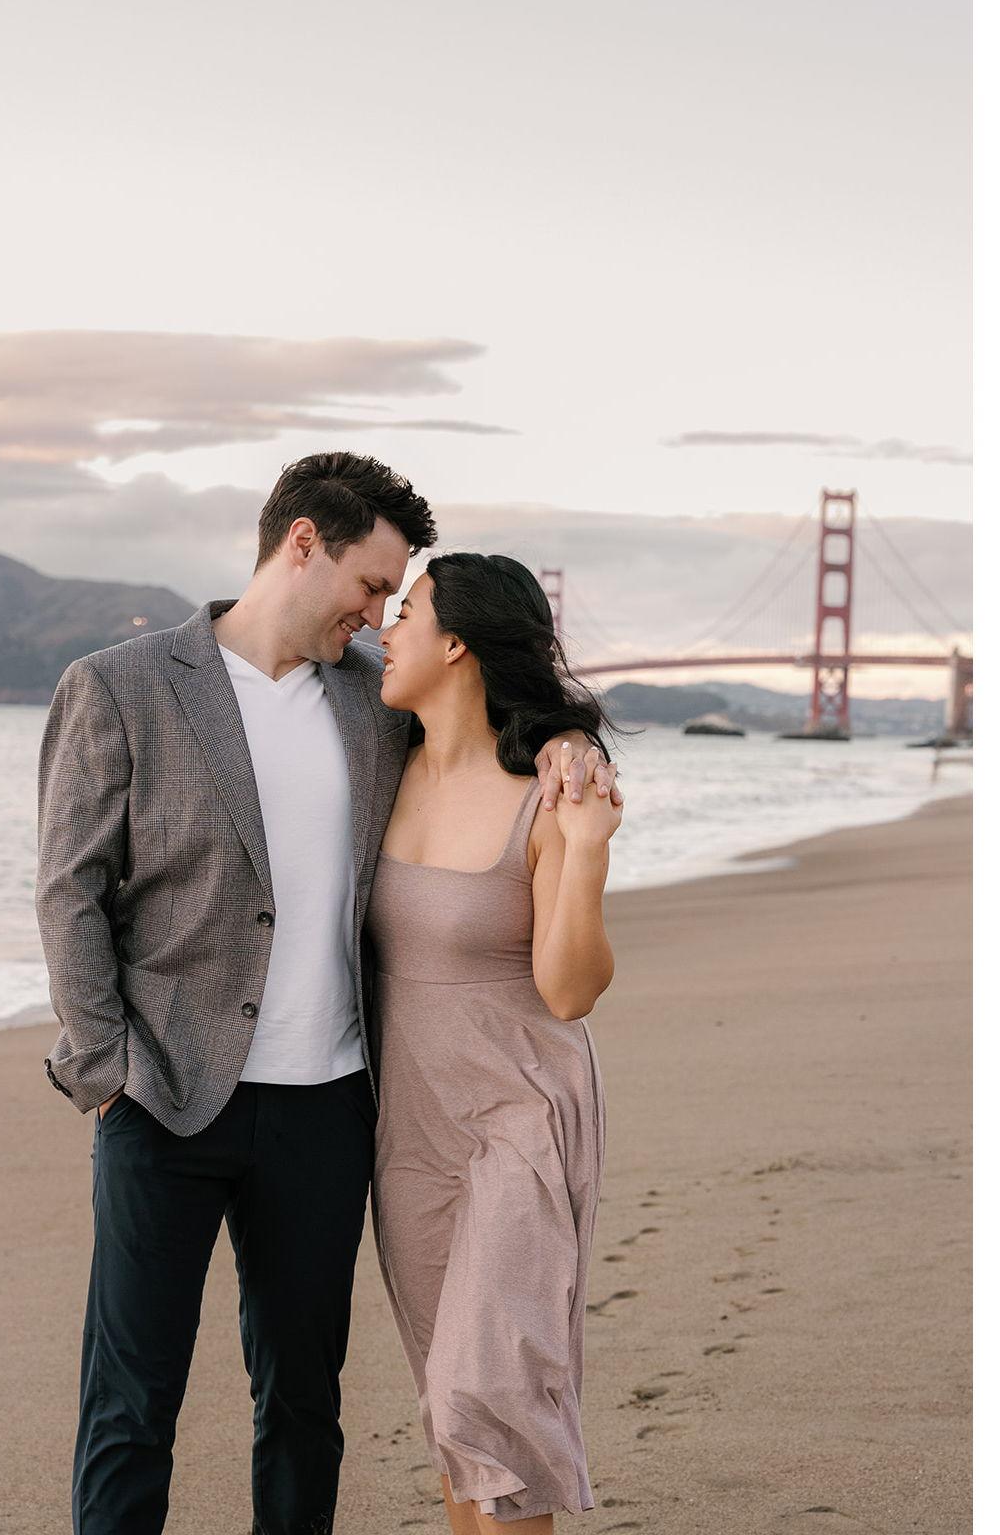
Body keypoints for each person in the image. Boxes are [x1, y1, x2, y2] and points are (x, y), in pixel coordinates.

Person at [35, 452, 620, 1535]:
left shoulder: (371, 699)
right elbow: (70, 892)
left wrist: (574, 743)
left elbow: (492, 723)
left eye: (396, 601)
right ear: (302, 543)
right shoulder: (118, 686)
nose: (374, 612)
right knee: (130, 1401)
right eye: (368, 584)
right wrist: (103, 1068)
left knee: (304, 1401)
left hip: (331, 1107)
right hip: (163, 1097)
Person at [368, 555, 621, 1531]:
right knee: (450, 1401)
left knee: (495, 1397)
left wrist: (587, 850)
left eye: (406, 612)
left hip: (520, 1117)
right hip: (410, 1130)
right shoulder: (378, 762)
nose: (384, 630)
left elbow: (568, 988)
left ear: (458, 642)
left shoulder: (549, 790)